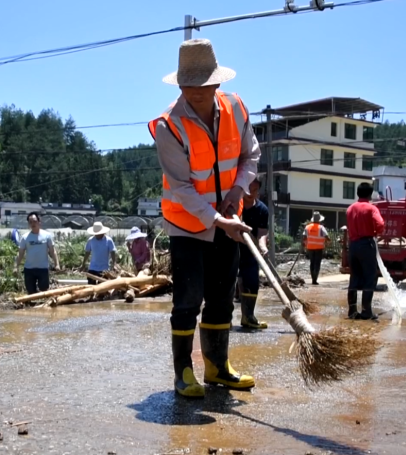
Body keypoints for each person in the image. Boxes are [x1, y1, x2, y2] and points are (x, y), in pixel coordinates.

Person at [149, 38, 260, 398]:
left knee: (222, 297)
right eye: (189, 86)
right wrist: (217, 218)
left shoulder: (237, 108)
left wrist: (236, 192)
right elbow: (181, 186)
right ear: (180, 85)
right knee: (188, 298)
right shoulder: (169, 125)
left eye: (204, 85)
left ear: (217, 83)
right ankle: (183, 372)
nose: (196, 92)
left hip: (228, 219)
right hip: (187, 226)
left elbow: (250, 157)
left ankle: (217, 367)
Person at [346, 182, 385, 320]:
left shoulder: (350, 209)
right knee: (370, 277)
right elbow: (380, 224)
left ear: (357, 193)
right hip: (367, 244)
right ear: (370, 194)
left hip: (353, 245)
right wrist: (376, 232)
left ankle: (352, 311)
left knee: (354, 277)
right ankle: (366, 311)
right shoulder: (371, 208)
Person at [238, 178, 269, 329]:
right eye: (248, 189)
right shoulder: (235, 205)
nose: (250, 193)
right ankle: (223, 319)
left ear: (258, 191)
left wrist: (262, 246)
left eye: (254, 190)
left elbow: (262, 232)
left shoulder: (262, 210)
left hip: (251, 251)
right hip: (233, 247)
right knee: (228, 282)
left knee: (252, 282)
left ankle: (248, 317)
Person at [16, 212, 60, 294]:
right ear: (28, 224)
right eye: (30, 222)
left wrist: (57, 264)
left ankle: (43, 306)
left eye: (34, 221)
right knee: (31, 291)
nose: (33, 223)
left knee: (44, 290)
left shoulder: (47, 235)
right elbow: (20, 253)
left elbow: (52, 251)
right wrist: (16, 266)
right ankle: (32, 306)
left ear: (39, 222)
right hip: (29, 269)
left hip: (43, 269)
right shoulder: (25, 237)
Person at [302, 212, 329, 285]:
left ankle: (312, 279)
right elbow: (326, 236)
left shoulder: (307, 227)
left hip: (310, 248)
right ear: (319, 220)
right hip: (319, 248)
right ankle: (314, 280)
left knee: (312, 263)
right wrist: (328, 242)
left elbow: (304, 237)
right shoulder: (321, 227)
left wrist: (304, 244)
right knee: (317, 264)